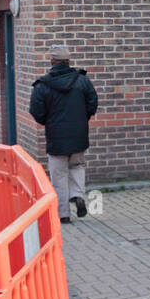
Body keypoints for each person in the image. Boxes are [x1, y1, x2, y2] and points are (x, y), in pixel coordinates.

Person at [29, 44, 98, 225]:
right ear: (68, 60)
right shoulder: (82, 81)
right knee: (77, 165)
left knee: (58, 174)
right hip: (79, 134)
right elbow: (93, 102)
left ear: (52, 61)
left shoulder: (42, 85)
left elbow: (36, 111)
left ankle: (63, 215)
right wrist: (83, 118)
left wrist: (48, 122)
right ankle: (78, 195)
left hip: (56, 136)